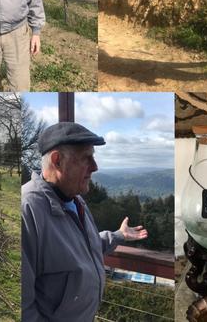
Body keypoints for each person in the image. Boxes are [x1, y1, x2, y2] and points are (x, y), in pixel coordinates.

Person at [22, 122, 148, 322]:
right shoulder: (28, 211)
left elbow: (84, 248)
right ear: (57, 160)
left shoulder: (75, 200)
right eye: (85, 158)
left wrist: (118, 236)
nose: (95, 167)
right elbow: (23, 308)